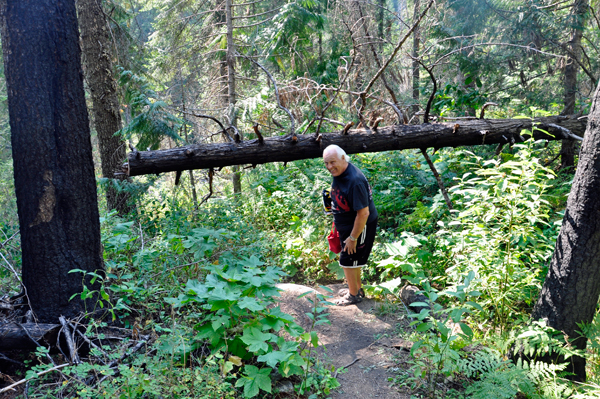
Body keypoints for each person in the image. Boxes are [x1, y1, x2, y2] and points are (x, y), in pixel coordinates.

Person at [323, 144, 378, 306]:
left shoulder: (355, 181)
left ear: (343, 158)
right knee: (353, 260)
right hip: (347, 224)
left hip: (360, 225)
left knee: (348, 259)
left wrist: (353, 237)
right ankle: (357, 289)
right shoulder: (341, 172)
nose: (329, 167)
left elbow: (364, 213)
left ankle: (353, 295)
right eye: (326, 163)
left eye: (332, 162)